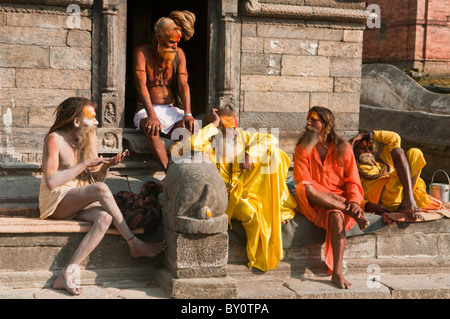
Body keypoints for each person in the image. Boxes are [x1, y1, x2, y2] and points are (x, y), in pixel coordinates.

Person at [39, 97, 166, 295]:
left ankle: (67, 273)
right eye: (92, 117)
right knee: (100, 190)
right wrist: (83, 164)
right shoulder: (54, 139)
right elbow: (51, 182)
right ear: (76, 121)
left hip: (77, 199)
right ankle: (134, 243)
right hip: (55, 201)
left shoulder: (87, 137)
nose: (97, 122)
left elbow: (96, 179)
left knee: (105, 217)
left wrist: (106, 166)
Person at [171, 108, 297, 272]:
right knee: (251, 212)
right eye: (229, 130)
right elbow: (192, 144)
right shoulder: (210, 145)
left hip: (247, 192)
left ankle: (258, 257)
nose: (234, 133)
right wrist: (214, 124)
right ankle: (254, 259)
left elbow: (271, 138)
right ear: (217, 131)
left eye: (235, 128)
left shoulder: (243, 137)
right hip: (225, 199)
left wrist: (251, 154)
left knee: (275, 154)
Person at [293, 106, 369, 289]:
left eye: (313, 120)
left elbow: (353, 181)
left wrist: (353, 201)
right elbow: (303, 181)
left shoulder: (344, 148)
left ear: (326, 124)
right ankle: (349, 211)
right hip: (314, 202)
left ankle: (337, 273)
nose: (308, 123)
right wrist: (338, 200)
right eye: (307, 119)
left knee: (336, 216)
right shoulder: (302, 148)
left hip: (340, 202)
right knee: (305, 187)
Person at [134, 10, 197, 172]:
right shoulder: (142, 52)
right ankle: (168, 173)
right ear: (158, 38)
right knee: (151, 128)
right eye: (171, 42)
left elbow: (184, 84)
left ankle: (180, 171)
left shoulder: (179, 54)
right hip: (146, 109)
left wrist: (188, 114)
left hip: (171, 109)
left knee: (187, 129)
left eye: (177, 42)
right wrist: (151, 115)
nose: (175, 46)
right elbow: (141, 85)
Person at [351, 130, 442, 219]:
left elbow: (394, 138)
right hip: (389, 198)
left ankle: (408, 200)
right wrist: (368, 205)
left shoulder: (384, 163)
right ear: (355, 151)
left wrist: (366, 135)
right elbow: (350, 192)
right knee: (398, 152)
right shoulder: (355, 169)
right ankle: (409, 201)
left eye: (370, 148)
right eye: (362, 148)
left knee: (415, 152)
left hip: (404, 195)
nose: (367, 150)